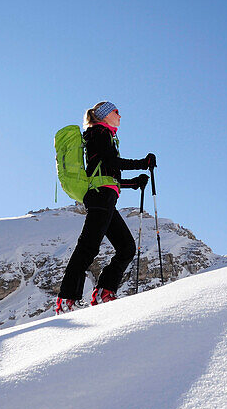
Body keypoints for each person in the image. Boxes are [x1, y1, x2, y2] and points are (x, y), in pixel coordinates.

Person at [56, 101, 155, 313]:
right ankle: (67, 299)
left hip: (105, 196)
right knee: (88, 247)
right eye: (116, 111)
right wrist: (142, 162)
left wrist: (133, 183)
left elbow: (105, 171)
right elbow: (111, 162)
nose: (120, 115)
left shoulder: (103, 134)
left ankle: (104, 292)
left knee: (126, 248)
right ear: (104, 115)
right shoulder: (98, 133)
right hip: (100, 197)